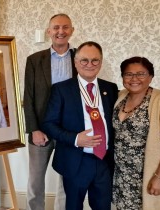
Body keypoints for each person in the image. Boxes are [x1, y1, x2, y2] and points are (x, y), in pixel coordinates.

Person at [41, 41, 118, 210]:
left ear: (101, 62)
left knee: (103, 206)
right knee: (74, 206)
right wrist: (76, 138)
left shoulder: (110, 88)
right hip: (76, 160)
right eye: (84, 60)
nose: (89, 65)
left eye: (95, 60)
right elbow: (49, 124)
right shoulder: (61, 89)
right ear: (76, 63)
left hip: (104, 161)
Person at [112, 56, 160, 210]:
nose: (134, 78)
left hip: (149, 175)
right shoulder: (120, 97)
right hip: (121, 176)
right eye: (128, 74)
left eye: (141, 74)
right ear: (122, 77)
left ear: (151, 77)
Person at [22, 13, 77, 210]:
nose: (60, 31)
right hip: (41, 130)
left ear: (72, 31)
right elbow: (28, 97)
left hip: (70, 131)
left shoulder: (81, 58)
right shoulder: (35, 60)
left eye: (65, 27)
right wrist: (34, 129)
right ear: (48, 31)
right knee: (36, 181)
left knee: (67, 182)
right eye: (56, 27)